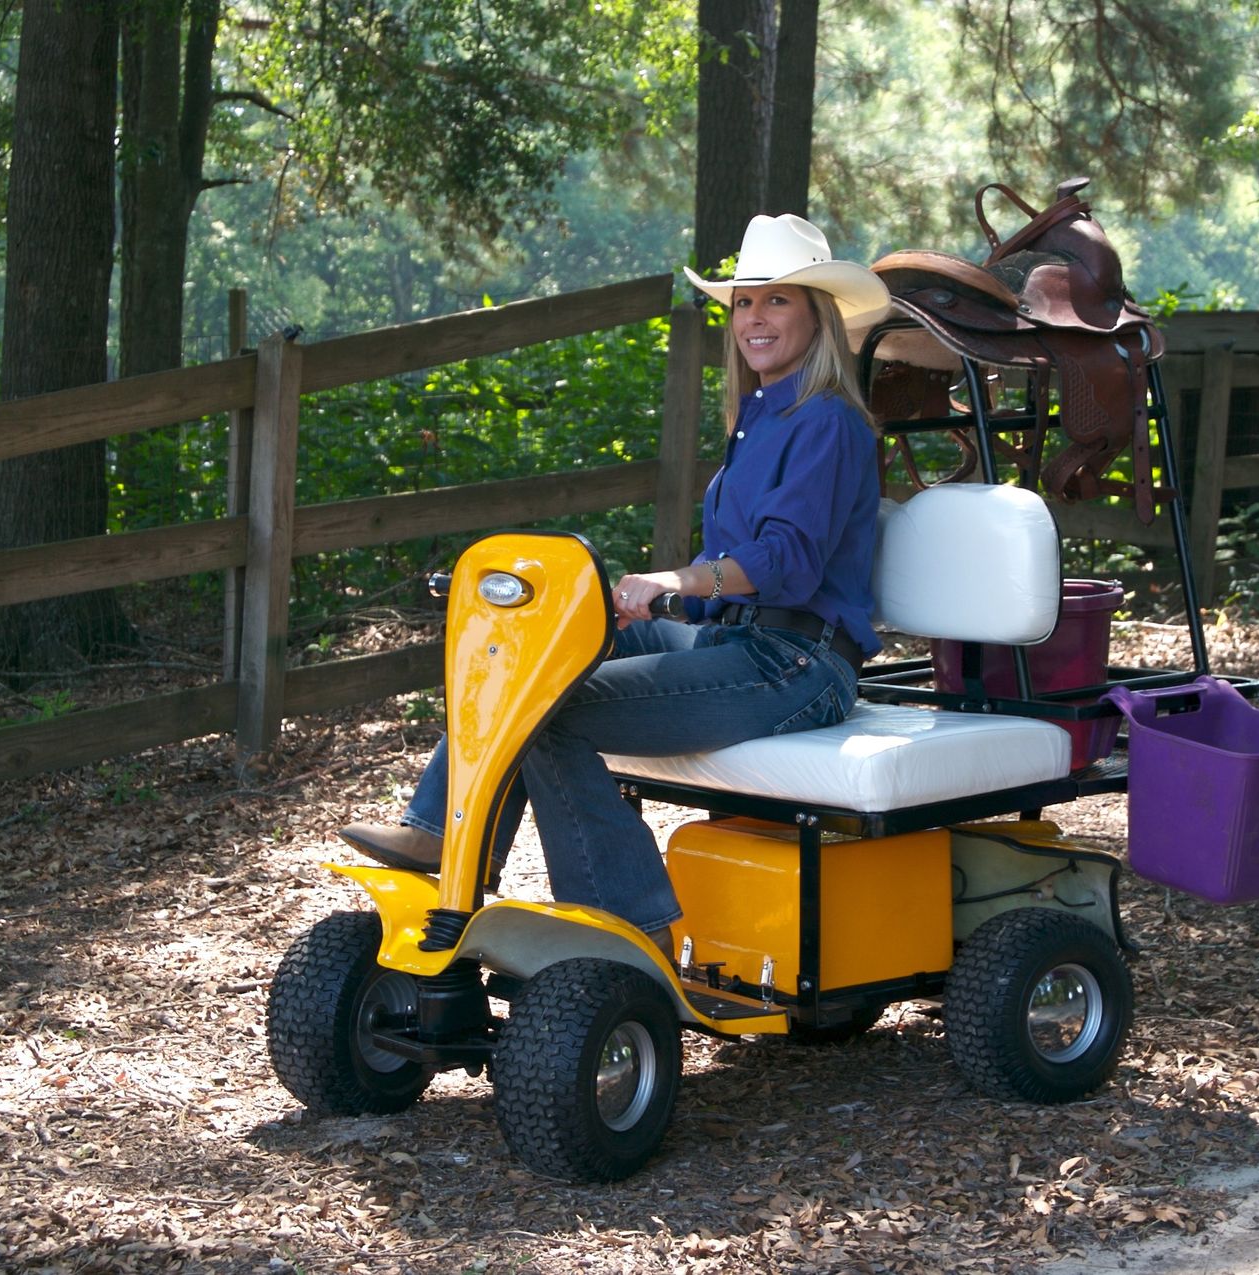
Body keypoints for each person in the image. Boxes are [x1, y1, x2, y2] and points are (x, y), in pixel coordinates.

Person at [340, 213, 890, 958]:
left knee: (548, 712)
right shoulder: (760, 417)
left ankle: (629, 926)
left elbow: (787, 562)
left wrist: (675, 577)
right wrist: (646, 601)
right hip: (734, 640)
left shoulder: (826, 421)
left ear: (818, 315)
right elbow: (731, 575)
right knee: (542, 657)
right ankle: (442, 833)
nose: (754, 319)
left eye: (777, 300)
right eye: (744, 303)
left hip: (797, 664)